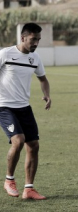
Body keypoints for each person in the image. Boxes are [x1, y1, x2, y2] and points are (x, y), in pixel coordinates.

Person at [0, 23, 51, 200]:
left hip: (24, 107)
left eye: (38, 40)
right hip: (4, 106)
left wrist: (47, 94)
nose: (36, 43)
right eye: (33, 39)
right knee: (18, 140)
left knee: (34, 145)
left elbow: (43, 79)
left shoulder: (35, 58)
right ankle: (9, 180)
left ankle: (28, 189)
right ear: (23, 38)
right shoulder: (5, 54)